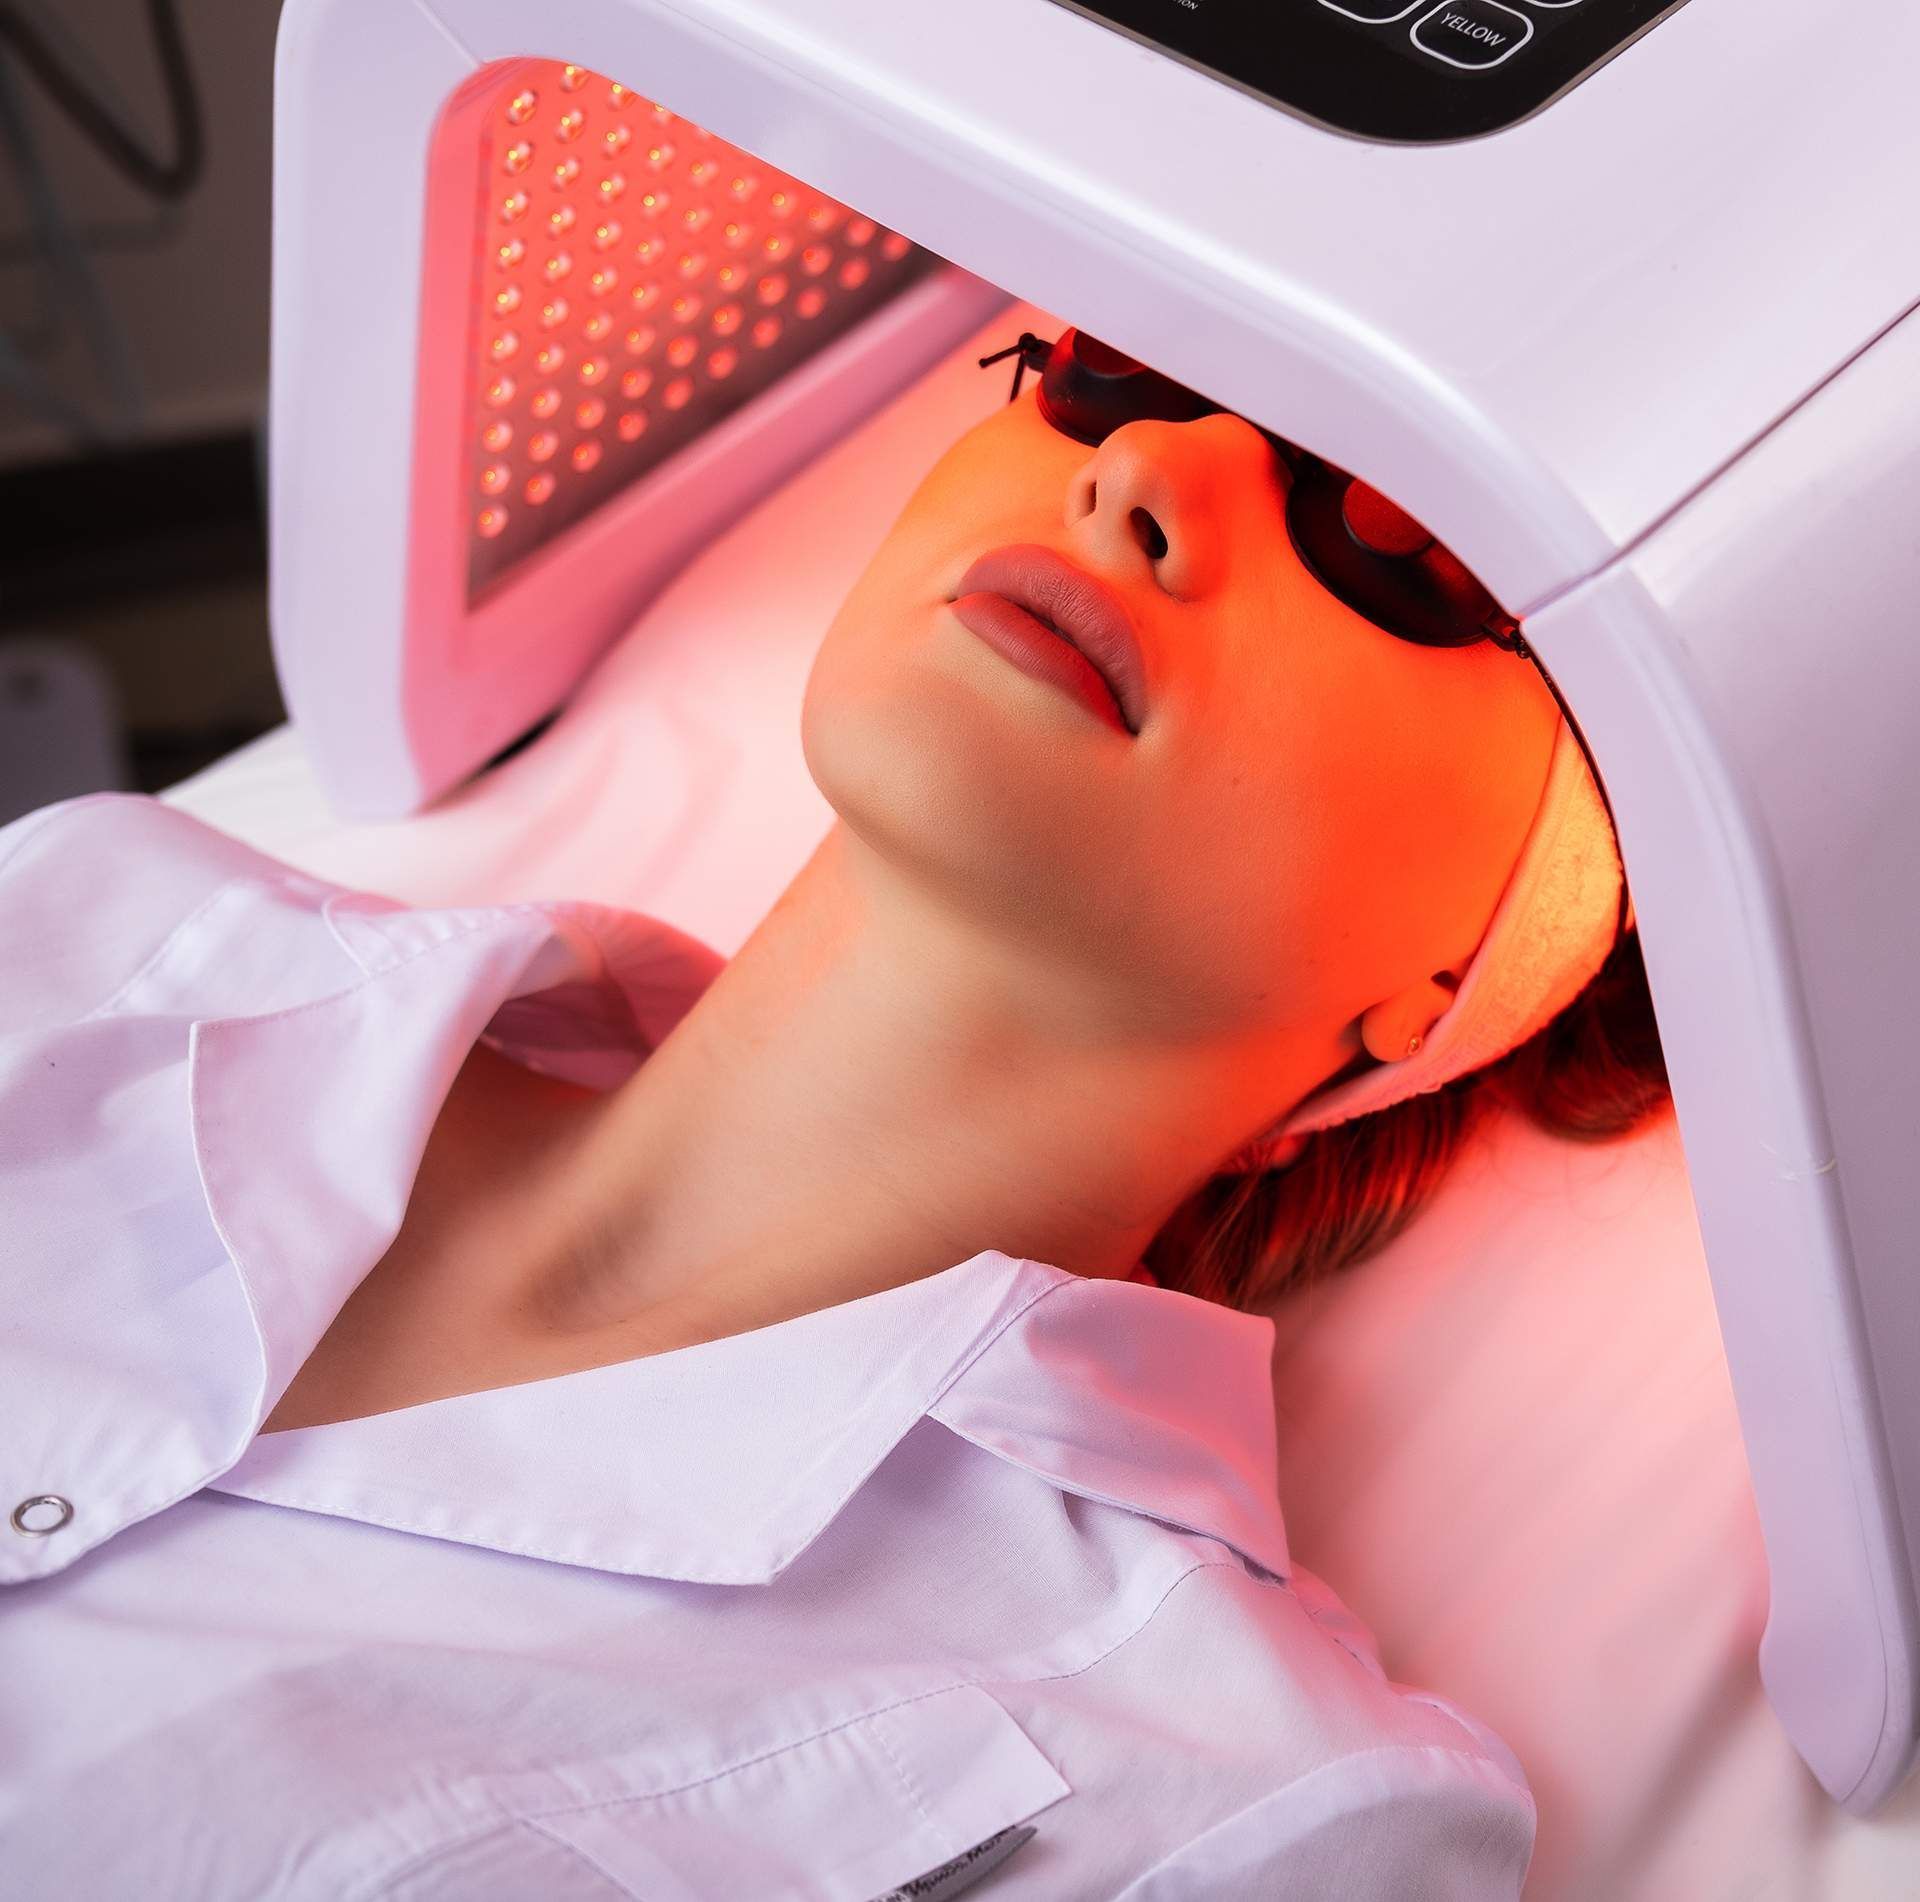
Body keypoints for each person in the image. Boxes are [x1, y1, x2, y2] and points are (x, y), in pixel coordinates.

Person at [0, 329, 1665, 1898]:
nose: (1146, 471)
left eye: (1399, 538)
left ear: (1492, 958)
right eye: (1106, 373)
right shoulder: (94, 925)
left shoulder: (1241, 1800)